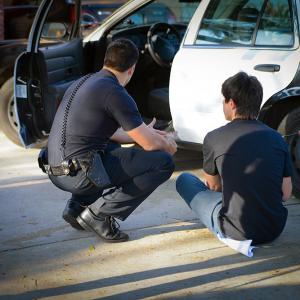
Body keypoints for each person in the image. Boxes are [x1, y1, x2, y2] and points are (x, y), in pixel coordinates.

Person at [46, 38, 177, 243]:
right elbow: (150, 145)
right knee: (162, 162)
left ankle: (77, 206)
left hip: (57, 170)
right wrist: (167, 143)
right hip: (79, 175)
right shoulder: (115, 92)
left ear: (106, 60)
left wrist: (141, 133)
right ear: (132, 69)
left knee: (110, 146)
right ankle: (100, 215)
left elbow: (105, 133)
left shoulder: (84, 81)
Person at [176, 71, 292, 245]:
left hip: (236, 230)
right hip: (274, 229)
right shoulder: (277, 138)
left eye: (224, 100)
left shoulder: (213, 138)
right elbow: (286, 193)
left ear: (231, 103)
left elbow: (213, 187)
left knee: (184, 180)